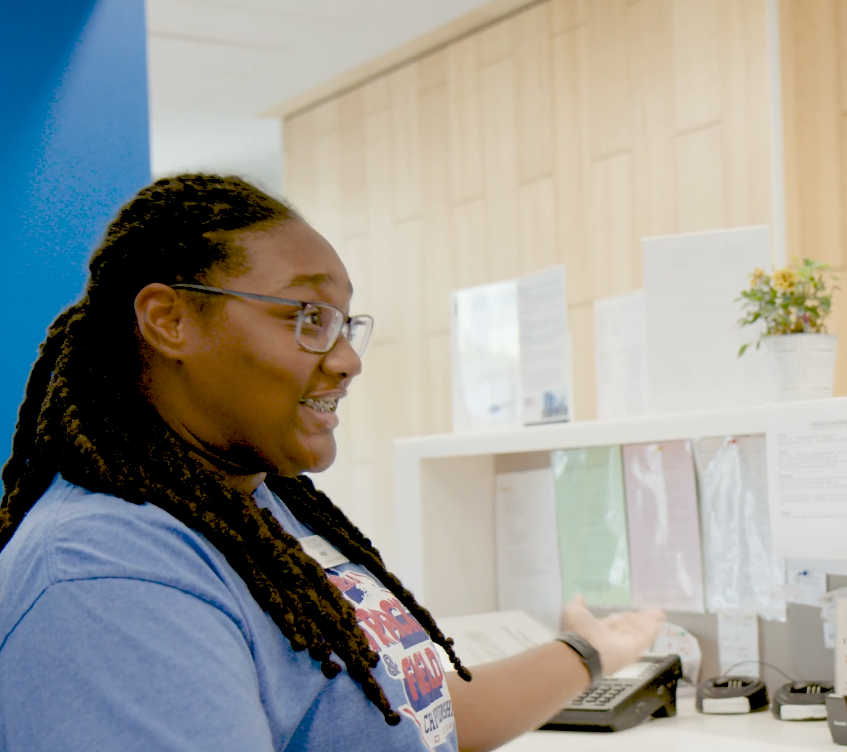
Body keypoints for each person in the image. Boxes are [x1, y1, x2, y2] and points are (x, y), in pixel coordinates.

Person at [0, 175, 663, 751]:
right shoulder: (108, 577)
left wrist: (592, 650)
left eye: (346, 324)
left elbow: (419, 720)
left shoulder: (256, 506)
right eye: (309, 316)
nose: (347, 359)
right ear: (171, 320)